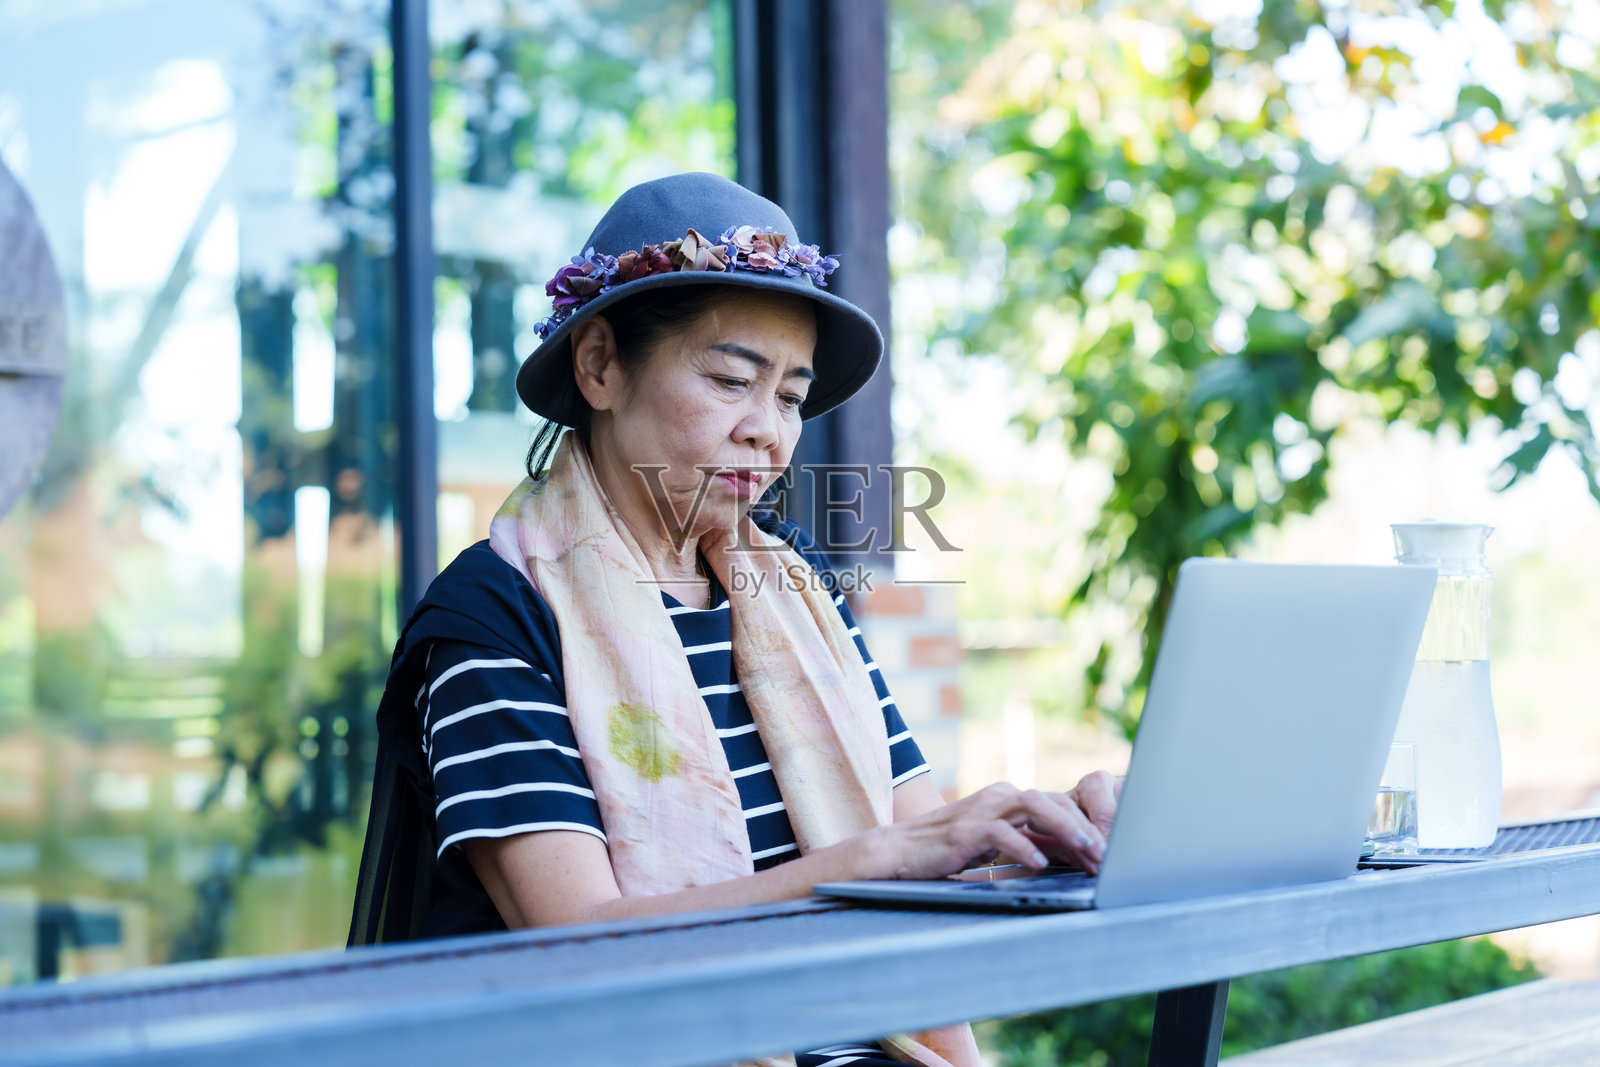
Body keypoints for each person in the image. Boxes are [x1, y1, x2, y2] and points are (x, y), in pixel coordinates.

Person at [350, 172, 1121, 1067]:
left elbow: (926, 850)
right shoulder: (495, 615)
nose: (772, 432)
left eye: (791, 395)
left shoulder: (794, 589)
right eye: (729, 379)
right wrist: (871, 862)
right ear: (599, 365)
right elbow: (580, 946)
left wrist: (1055, 835)